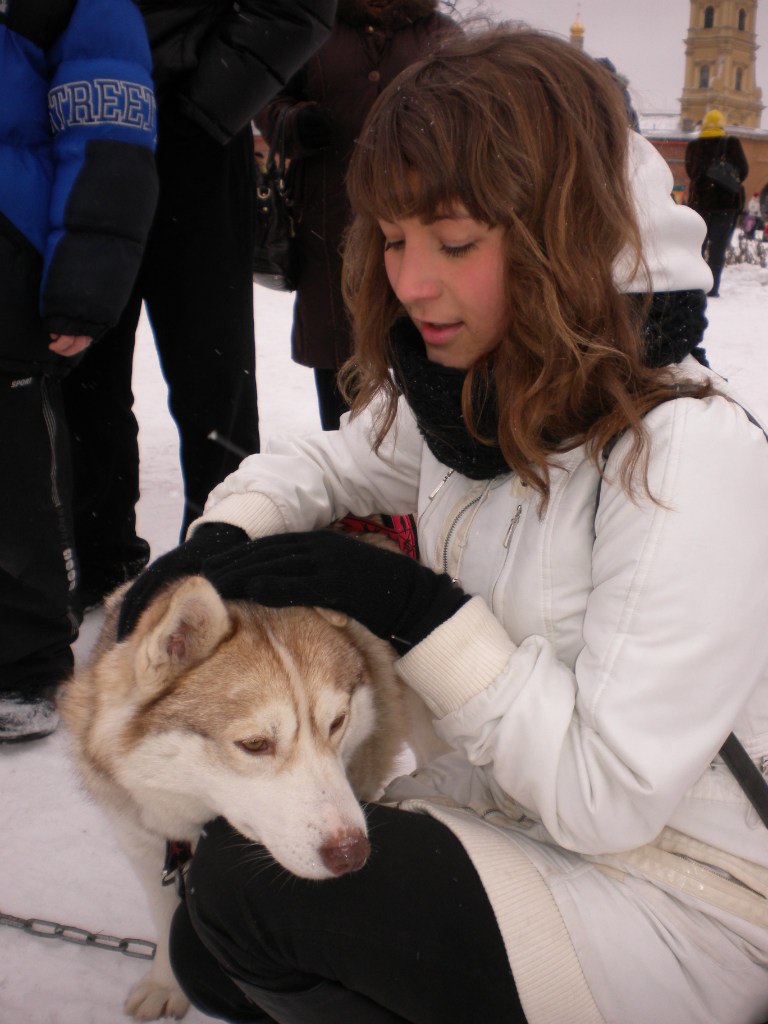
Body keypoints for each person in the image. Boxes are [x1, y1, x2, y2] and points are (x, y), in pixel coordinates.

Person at [116, 27, 768, 1024]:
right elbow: (329, 459)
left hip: (684, 892)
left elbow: (610, 798)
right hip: (523, 824)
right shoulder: (476, 395)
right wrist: (227, 534)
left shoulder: (683, 454)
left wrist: (416, 609)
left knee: (249, 900)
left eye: (454, 242)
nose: (412, 281)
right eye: (391, 237)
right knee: (214, 943)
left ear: (565, 236)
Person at [60, 0, 338, 611]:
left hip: (196, 133)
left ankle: (229, 561)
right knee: (85, 373)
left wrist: (207, 106)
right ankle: (103, 565)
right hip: (89, 126)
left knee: (214, 382)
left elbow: (300, 8)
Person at [0, 0, 159, 742]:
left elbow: (109, 128)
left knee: (16, 456)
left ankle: (25, 658)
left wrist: (86, 280)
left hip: (12, 240)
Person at [255, 0, 458, 431]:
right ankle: (349, 478)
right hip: (328, 220)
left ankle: (425, 473)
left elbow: (471, 111)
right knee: (338, 355)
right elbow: (269, 97)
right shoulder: (315, 25)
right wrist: (292, 121)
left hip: (420, 221)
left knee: (424, 348)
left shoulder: (439, 32)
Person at [685, 108, 749, 297]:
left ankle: (696, 286)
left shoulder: (695, 146)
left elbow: (691, 172)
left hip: (700, 205)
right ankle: (713, 288)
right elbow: (743, 171)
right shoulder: (731, 144)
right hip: (725, 206)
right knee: (718, 249)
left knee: (697, 248)